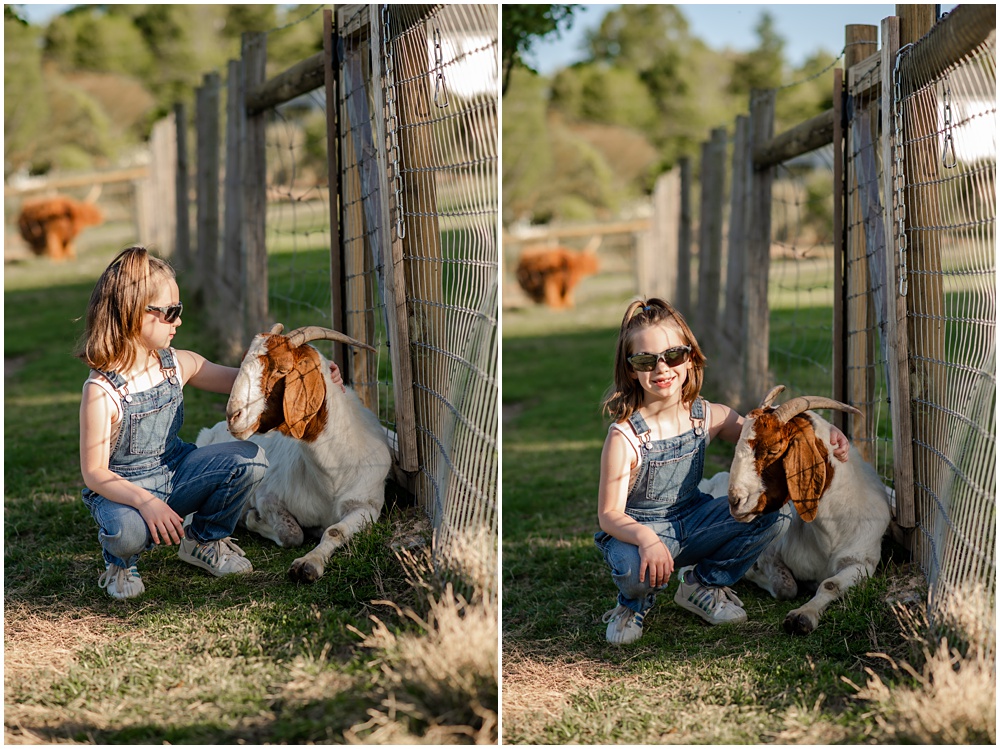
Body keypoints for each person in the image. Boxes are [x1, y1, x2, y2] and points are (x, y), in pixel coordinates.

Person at [77, 246, 343, 600]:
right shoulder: (101, 391)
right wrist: (145, 502)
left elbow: (248, 383)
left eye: (179, 310)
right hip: (124, 492)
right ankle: (121, 565)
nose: (179, 321)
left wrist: (312, 376)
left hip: (177, 474)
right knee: (126, 533)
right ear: (132, 314)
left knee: (251, 458)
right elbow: (95, 473)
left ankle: (203, 541)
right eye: (171, 312)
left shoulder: (179, 363)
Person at [594, 298, 849, 644]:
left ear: (690, 357)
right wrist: (646, 539)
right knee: (632, 569)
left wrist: (822, 433)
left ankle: (703, 584)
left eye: (672, 356)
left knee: (774, 514)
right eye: (645, 360)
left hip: (695, 520)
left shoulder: (708, 415)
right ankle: (632, 604)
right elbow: (609, 515)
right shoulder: (625, 436)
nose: (662, 369)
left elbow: (762, 436)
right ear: (630, 369)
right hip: (639, 529)